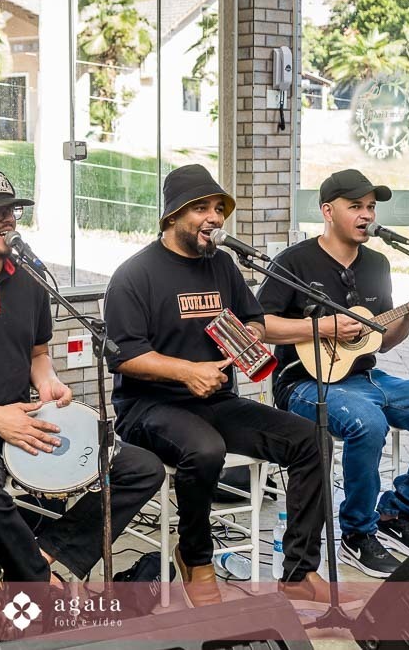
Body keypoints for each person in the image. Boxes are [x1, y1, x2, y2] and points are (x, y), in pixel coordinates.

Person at [0, 168, 165, 591]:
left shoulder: (32, 282)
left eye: (11, 211)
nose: (7, 221)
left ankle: (44, 554)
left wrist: (48, 382)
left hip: (25, 421)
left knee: (140, 468)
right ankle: (40, 586)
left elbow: (38, 355)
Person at [104, 164, 329, 607]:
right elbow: (126, 356)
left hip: (217, 400)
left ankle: (300, 570)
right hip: (149, 407)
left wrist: (249, 338)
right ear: (172, 216)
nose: (214, 218)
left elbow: (254, 319)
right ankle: (196, 557)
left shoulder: (222, 264)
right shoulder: (134, 275)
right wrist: (187, 371)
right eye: (200, 208)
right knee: (205, 450)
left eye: (218, 209)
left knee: (311, 439)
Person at [257, 168, 409, 578]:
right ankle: (358, 533)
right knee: (367, 423)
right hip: (304, 383)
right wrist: (322, 327)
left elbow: (382, 340)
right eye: (355, 206)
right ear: (327, 210)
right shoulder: (294, 262)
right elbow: (257, 324)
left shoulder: (376, 263)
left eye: (371, 207)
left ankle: (397, 512)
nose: (366, 215)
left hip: (366, 378)